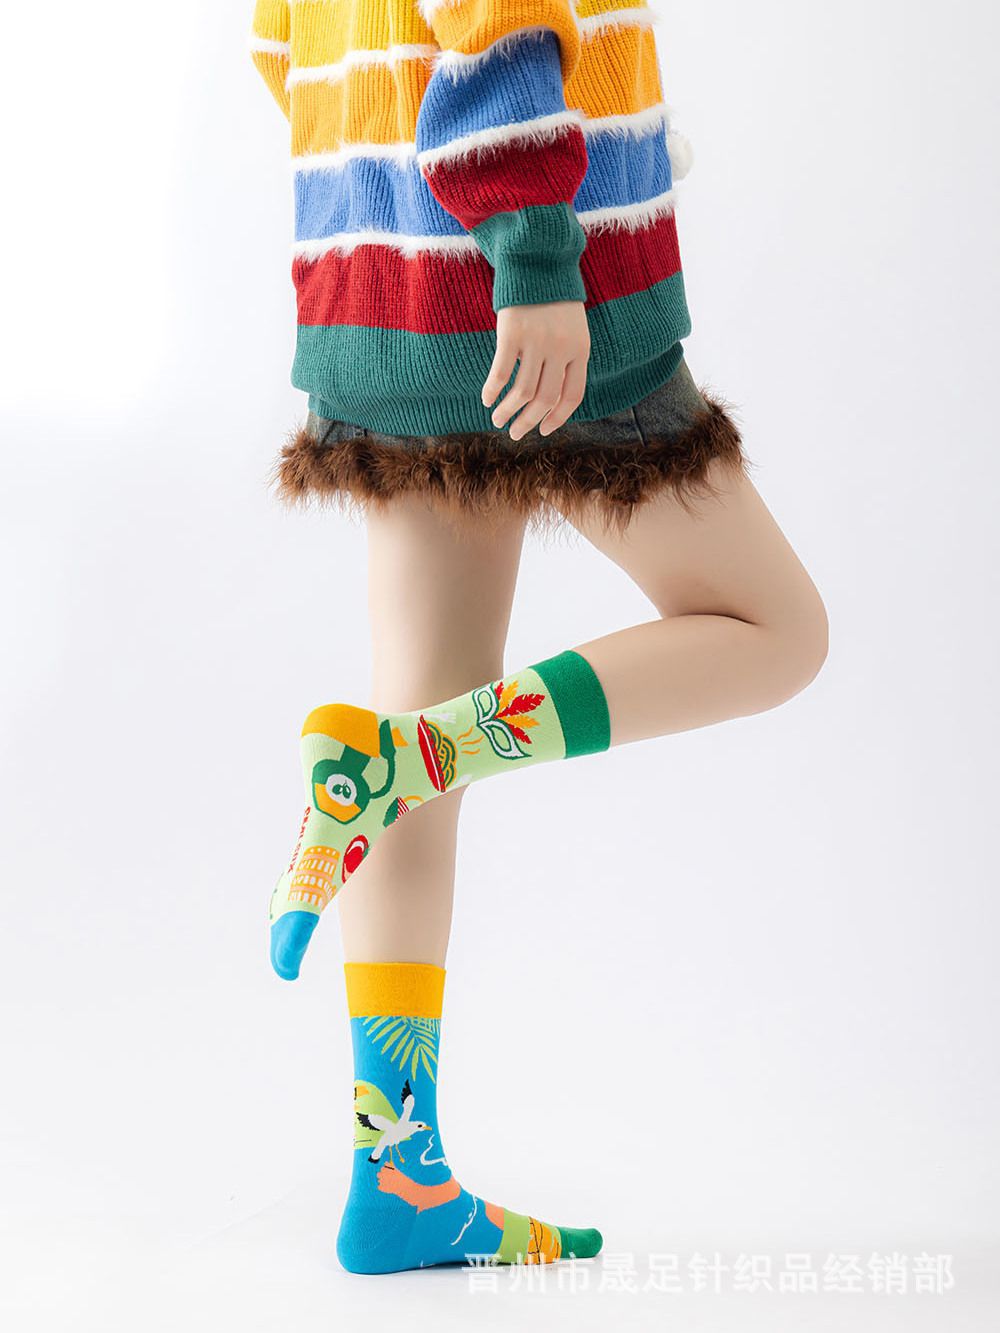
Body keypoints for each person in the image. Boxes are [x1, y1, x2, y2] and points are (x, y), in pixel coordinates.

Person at [249, 0, 828, 1275]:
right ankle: (400, 763)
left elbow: (280, 49)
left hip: (378, 302)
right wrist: (535, 253)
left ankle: (397, 1177)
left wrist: (404, 215)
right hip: (534, 307)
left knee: (414, 728)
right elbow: (504, 16)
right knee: (777, 629)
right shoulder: (534, 270)